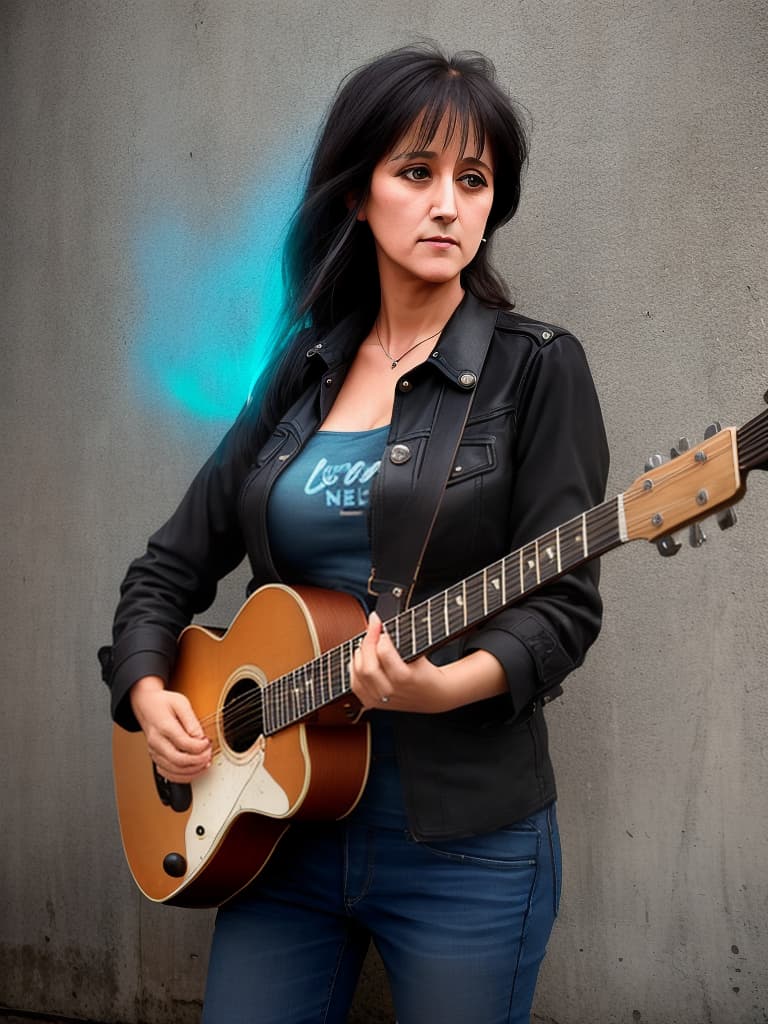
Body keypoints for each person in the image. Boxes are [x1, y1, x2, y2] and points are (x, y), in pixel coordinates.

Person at [101, 44, 609, 1024]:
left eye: (474, 179)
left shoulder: (537, 370)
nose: (449, 204)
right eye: (416, 172)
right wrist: (150, 688)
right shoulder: (303, 371)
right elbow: (169, 566)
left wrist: (438, 685)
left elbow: (564, 606)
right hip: (272, 831)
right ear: (355, 194)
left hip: (465, 844)